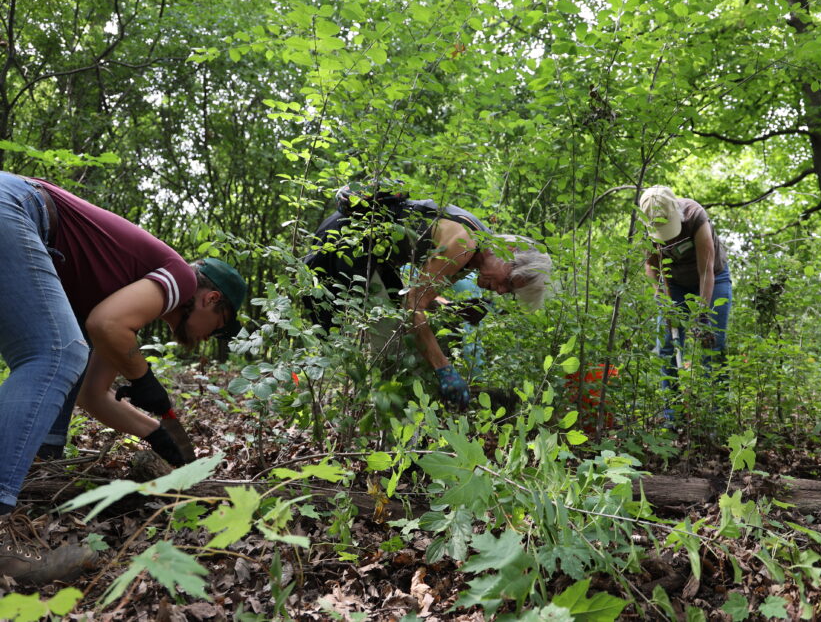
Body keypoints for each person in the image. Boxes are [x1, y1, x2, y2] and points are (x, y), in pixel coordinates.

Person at [0, 171, 247, 583]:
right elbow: (106, 324)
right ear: (211, 298)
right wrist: (145, 379)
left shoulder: (123, 292)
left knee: (64, 357)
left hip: (15, 212)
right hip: (18, 209)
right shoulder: (180, 277)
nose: (209, 339)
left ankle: (39, 478)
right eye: (218, 328)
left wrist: (158, 433)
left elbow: (93, 396)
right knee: (58, 354)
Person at [304, 192, 551, 408]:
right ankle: (393, 438)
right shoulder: (464, 244)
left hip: (370, 253)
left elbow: (420, 297)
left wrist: (449, 310)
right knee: (392, 350)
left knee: (406, 343)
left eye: (507, 292)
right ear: (509, 253)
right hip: (347, 241)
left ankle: (398, 427)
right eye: (507, 282)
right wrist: (444, 369)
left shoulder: (471, 257)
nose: (499, 291)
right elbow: (413, 307)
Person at [639, 185, 732, 412]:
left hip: (713, 279)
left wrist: (702, 314)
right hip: (675, 285)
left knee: (713, 342)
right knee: (667, 345)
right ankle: (672, 413)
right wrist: (661, 297)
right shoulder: (646, 223)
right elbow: (652, 266)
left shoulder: (694, 216)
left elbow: (706, 270)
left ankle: (716, 411)